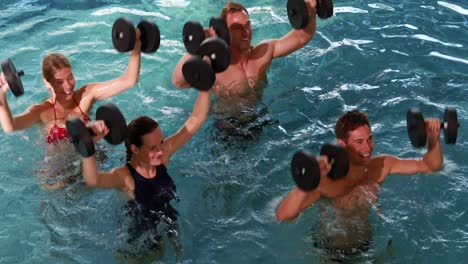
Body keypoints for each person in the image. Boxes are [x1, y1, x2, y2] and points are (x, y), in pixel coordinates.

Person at [276, 109, 443, 261]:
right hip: (332, 255)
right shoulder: (328, 180)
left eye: (370, 139)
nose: (368, 147)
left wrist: (433, 140)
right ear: (342, 143)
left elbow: (429, 166)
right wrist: (306, 183)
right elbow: (283, 215)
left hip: (370, 248)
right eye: (359, 141)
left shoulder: (381, 165)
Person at [0, 31, 142, 189]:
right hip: (61, 177)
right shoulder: (41, 112)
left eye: (70, 78)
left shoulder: (86, 95)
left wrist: (136, 45)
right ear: (47, 83)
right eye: (59, 82)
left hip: (95, 165)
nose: (68, 86)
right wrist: (1, 95)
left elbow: (129, 80)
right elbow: (10, 126)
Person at [79, 90, 210, 260]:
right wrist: (87, 143)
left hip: (165, 229)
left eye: (161, 142)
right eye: (152, 147)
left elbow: (196, 119)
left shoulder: (163, 155)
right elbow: (92, 179)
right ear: (135, 149)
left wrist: (206, 84)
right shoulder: (125, 176)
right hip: (136, 247)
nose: (160, 150)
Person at [172, 1, 317, 136]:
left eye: (247, 25)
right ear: (224, 32)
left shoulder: (264, 51)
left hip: (261, 118)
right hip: (227, 130)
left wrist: (310, 12)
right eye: (237, 28)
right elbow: (179, 81)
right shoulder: (216, 65)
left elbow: (300, 37)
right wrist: (197, 45)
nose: (246, 32)